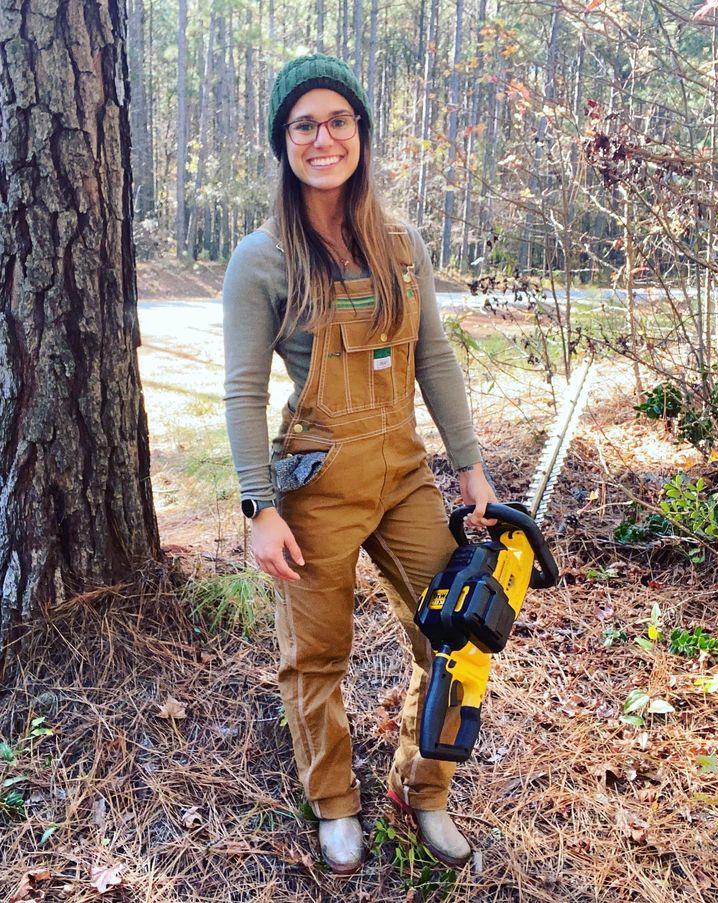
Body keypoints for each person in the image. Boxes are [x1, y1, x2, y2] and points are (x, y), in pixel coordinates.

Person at [223, 53, 497, 875]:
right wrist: (258, 506)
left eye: (338, 120)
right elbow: (241, 393)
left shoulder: (402, 244)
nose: (323, 137)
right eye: (304, 124)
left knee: (461, 634)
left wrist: (470, 468)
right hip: (314, 487)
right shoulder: (262, 256)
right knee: (317, 655)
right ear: (284, 142)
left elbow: (436, 359)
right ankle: (335, 802)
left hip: (405, 473)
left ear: (360, 133)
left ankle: (426, 787)